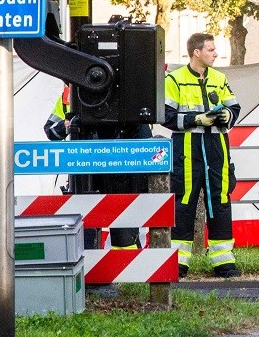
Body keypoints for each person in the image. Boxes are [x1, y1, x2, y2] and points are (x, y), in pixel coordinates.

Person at [165, 33, 243, 278]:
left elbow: (235, 106)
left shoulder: (219, 78)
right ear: (196, 52)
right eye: (210, 50)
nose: (215, 53)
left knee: (219, 200)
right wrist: (195, 119)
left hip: (216, 146)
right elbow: (165, 116)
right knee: (183, 202)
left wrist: (226, 116)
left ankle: (223, 260)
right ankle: (178, 262)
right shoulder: (174, 79)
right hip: (187, 149)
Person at [44, 84, 144, 251]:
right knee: (86, 229)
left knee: (124, 229)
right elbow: (51, 131)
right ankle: (89, 271)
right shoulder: (70, 97)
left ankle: (128, 270)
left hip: (117, 171)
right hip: (84, 175)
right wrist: (67, 125)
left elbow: (141, 135)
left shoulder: (121, 94)